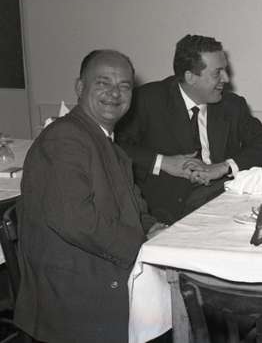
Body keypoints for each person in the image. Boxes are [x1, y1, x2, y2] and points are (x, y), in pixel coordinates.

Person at [15, 50, 161, 343]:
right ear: (80, 87)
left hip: (93, 270)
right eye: (103, 83)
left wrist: (155, 228)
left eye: (124, 86)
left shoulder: (104, 141)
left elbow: (133, 206)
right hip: (72, 297)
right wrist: (143, 246)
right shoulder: (65, 138)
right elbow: (75, 220)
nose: (114, 93)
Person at [117, 34, 262, 224]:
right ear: (190, 77)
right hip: (166, 211)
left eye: (225, 70)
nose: (226, 79)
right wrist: (162, 162)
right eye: (217, 73)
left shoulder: (231, 105)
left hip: (223, 201)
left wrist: (223, 167)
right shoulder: (147, 100)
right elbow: (114, 147)